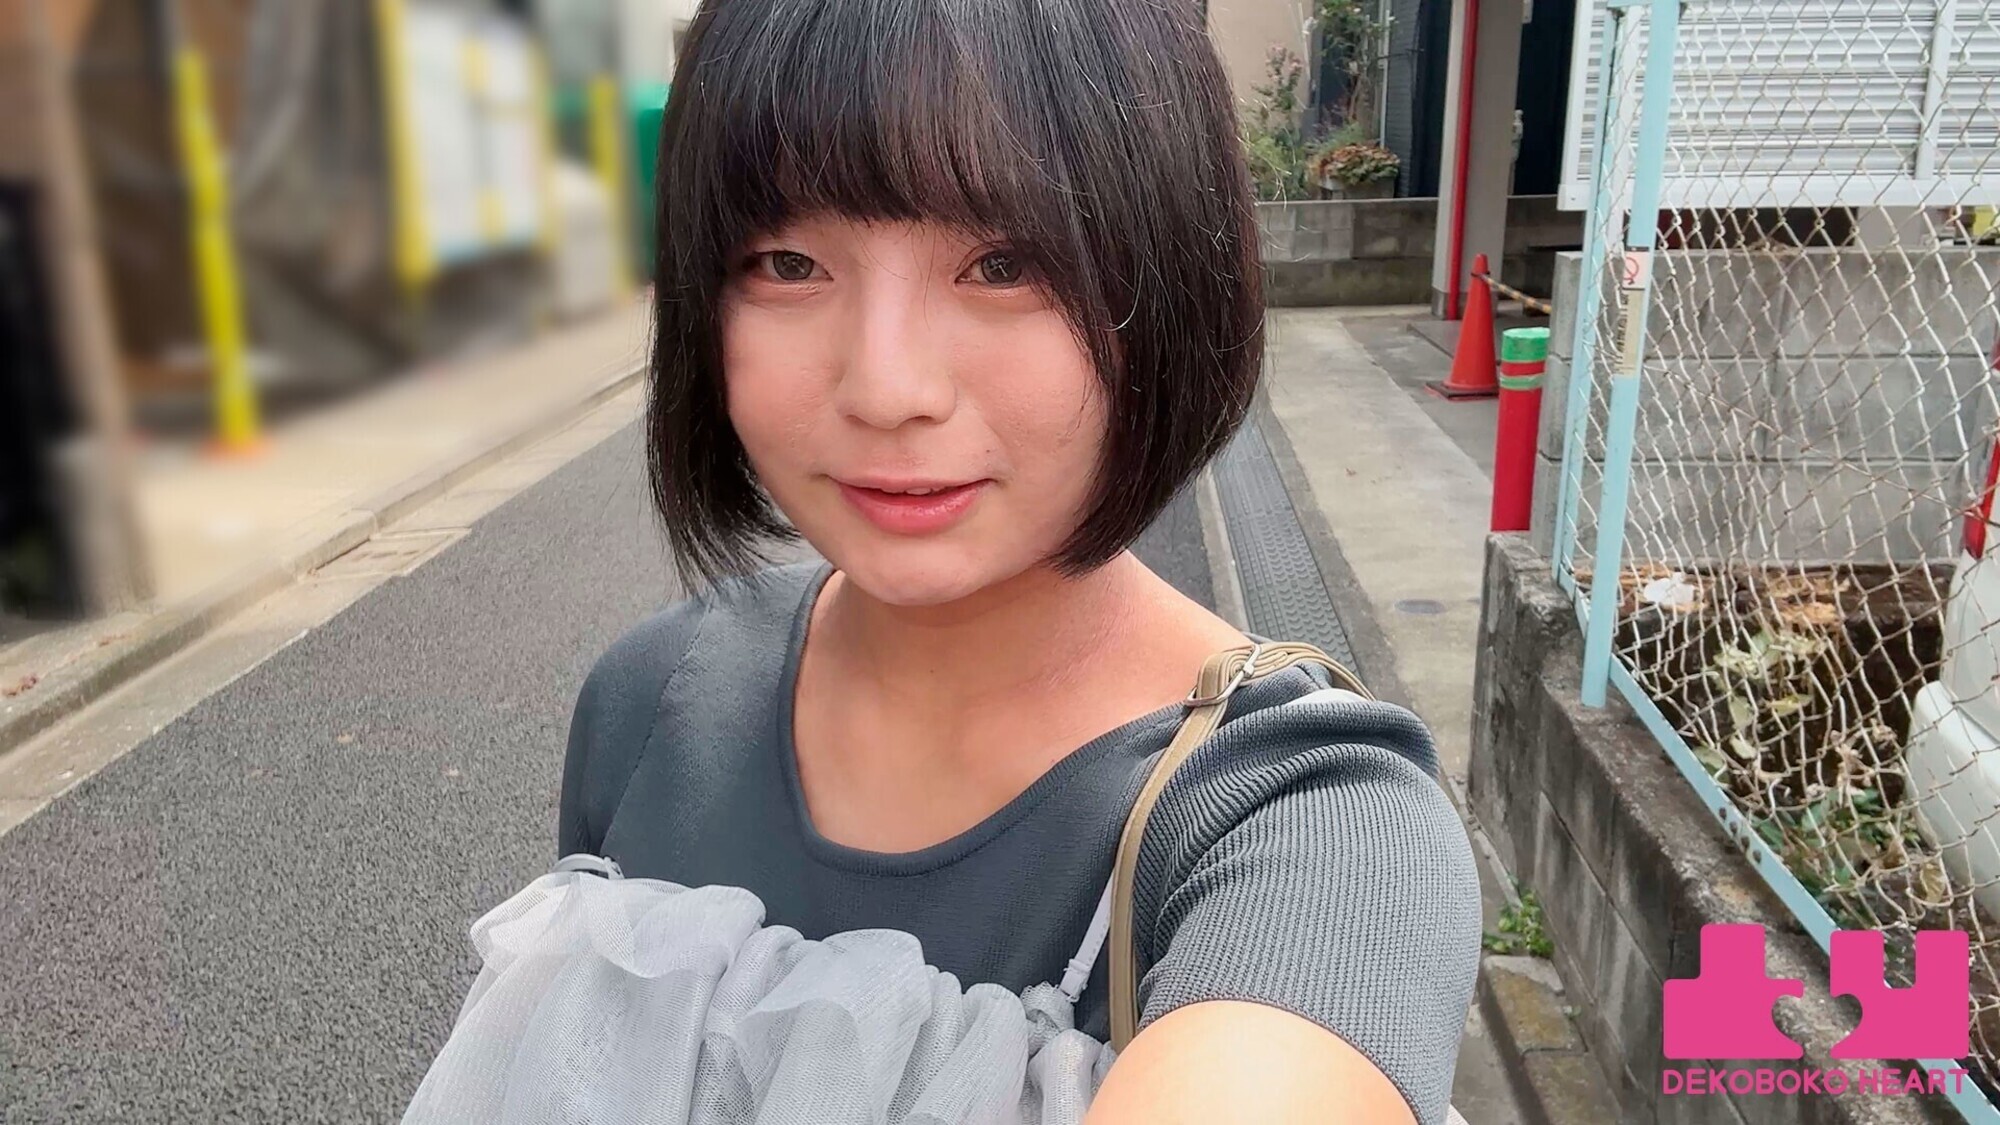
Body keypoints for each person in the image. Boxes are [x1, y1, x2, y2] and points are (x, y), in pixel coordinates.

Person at [556, 1, 1481, 1121]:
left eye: (1001, 264)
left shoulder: (1311, 826)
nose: (886, 389)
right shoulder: (650, 698)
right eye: (788, 263)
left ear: (1163, 283)